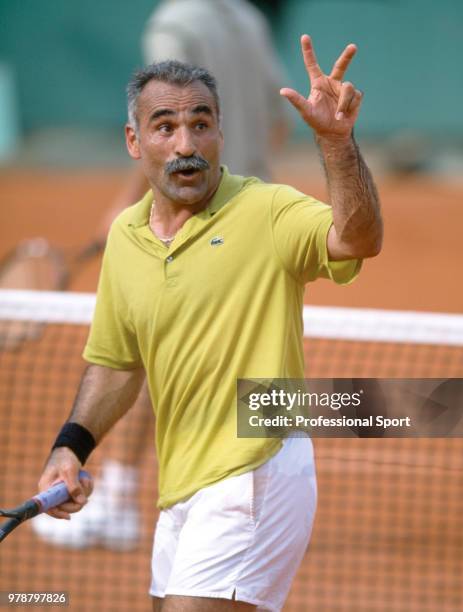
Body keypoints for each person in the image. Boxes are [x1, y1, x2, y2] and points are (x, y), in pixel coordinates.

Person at [37, 35, 382, 611]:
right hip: (180, 488)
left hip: (256, 473)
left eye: (201, 124)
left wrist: (336, 144)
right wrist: (72, 445)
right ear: (134, 140)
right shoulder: (127, 236)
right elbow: (118, 363)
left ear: (221, 133)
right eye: (165, 126)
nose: (186, 144)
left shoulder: (267, 211)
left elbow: (358, 238)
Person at [32, 0, 292, 551]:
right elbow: (277, 123)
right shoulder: (246, 18)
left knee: (158, 351)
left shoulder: (174, 24)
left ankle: (120, 500)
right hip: (248, 207)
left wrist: (135, 212)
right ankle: (258, 493)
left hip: (191, 213)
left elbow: (165, 130)